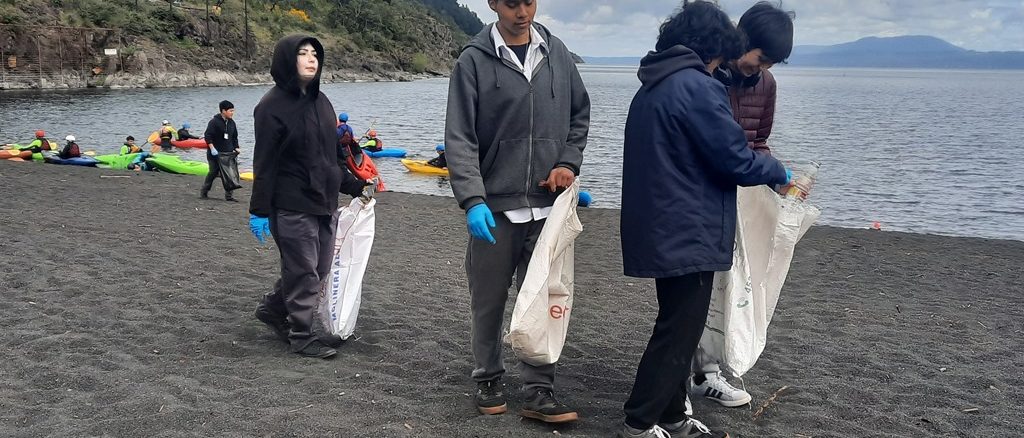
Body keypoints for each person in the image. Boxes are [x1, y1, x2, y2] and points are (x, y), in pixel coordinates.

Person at [615, 2, 791, 438]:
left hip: (659, 221)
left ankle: (673, 416)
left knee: (678, 323)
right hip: (688, 226)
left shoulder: (655, 83)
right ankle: (639, 421)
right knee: (679, 331)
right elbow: (735, 159)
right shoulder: (697, 87)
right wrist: (778, 171)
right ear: (712, 46)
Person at [445, 0, 590, 424]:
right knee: (488, 299)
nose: (521, 11)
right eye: (511, 3)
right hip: (494, 208)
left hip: (547, 208)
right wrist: (472, 200)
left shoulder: (557, 54)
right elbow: (460, 137)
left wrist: (568, 162)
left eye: (528, 1)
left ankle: (538, 389)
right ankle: (488, 377)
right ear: (493, 3)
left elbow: (579, 115)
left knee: (542, 298)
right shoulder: (472, 61)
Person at [690, 0, 796, 408]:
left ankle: (707, 373)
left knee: (730, 287)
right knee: (692, 292)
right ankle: (678, 379)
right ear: (742, 38)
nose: (762, 69)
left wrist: (777, 181)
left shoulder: (765, 85)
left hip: (739, 198)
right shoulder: (707, 74)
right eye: (760, 58)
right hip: (700, 197)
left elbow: (759, 141)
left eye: (770, 64)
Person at [249, 35, 369, 359]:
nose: (311, 59)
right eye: (303, 53)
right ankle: (301, 335)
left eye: (315, 53)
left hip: (323, 202)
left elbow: (332, 156)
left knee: (320, 267)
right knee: (304, 271)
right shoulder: (270, 107)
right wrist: (259, 210)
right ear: (287, 60)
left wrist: (354, 185)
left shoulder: (323, 102)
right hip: (290, 203)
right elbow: (264, 162)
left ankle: (273, 309)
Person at [201, 101, 242, 202]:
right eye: (230, 111)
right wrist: (212, 148)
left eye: (233, 111)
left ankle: (229, 196)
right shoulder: (214, 122)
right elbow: (208, 136)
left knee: (230, 174)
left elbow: (234, 137)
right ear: (223, 111)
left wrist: (236, 147)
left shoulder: (232, 123)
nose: (232, 113)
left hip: (228, 154)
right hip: (215, 153)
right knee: (213, 172)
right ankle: (204, 191)